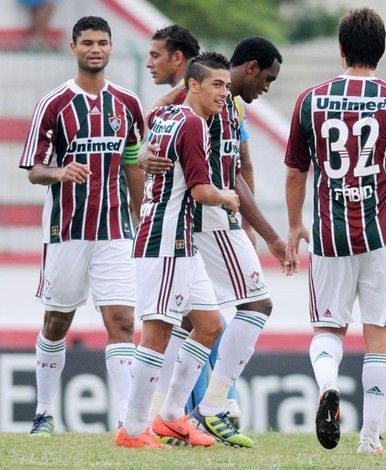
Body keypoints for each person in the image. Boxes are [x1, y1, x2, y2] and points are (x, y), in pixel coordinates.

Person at [284, 8, 386, 456]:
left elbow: (296, 172)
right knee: (379, 335)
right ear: (381, 50)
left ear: (340, 50)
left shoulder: (310, 100)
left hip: (330, 236)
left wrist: (296, 225)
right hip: (381, 233)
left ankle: (329, 386)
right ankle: (369, 438)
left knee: (327, 329)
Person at [141, 36, 286, 448]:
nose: (267, 88)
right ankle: (213, 406)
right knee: (254, 305)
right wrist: (144, 152)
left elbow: (238, 170)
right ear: (252, 69)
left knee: (188, 323)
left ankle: (161, 414)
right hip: (206, 219)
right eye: (268, 79)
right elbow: (158, 112)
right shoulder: (206, 101)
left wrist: (263, 233)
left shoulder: (232, 108)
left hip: (218, 217)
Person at [18, 16, 145, 435]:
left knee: (122, 321)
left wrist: (139, 214)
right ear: (73, 47)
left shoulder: (127, 104)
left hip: (114, 232)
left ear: (110, 48)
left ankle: (128, 423)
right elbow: (34, 170)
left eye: (103, 42)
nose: (96, 49)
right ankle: (44, 412)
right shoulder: (53, 104)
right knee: (57, 322)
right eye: (87, 42)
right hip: (66, 231)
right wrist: (58, 173)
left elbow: (131, 163)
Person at [115, 51, 240, 449]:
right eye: (216, 85)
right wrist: (228, 197)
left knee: (209, 324)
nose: (225, 93)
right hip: (165, 240)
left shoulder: (165, 116)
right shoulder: (192, 126)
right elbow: (202, 192)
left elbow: (150, 116)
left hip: (180, 243)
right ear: (194, 86)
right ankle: (133, 429)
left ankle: (170, 416)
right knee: (157, 331)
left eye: (227, 85)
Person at [142, 23, 241, 428]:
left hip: (198, 227)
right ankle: (168, 416)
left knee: (205, 320)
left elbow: (230, 170)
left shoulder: (199, 112)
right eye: (217, 85)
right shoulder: (182, 115)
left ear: (179, 62)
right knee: (182, 324)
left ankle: (192, 410)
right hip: (180, 229)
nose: (150, 63)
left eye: (156, 55)